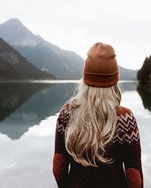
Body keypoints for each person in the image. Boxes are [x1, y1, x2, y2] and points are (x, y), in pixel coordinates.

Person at [53, 42, 143, 188]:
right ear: (114, 80)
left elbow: (58, 166)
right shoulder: (125, 119)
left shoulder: (67, 112)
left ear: (85, 78)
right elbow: (134, 177)